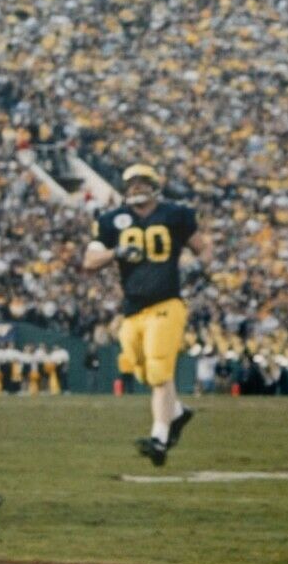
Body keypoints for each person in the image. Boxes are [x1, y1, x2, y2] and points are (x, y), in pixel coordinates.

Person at [83, 163, 213, 466]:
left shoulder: (175, 214)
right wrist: (116, 253)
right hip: (132, 311)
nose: (136, 187)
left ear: (155, 184)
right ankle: (177, 413)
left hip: (167, 304)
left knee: (158, 372)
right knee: (141, 371)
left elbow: (203, 248)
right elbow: (89, 261)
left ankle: (159, 437)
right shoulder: (112, 220)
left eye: (143, 182)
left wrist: (198, 265)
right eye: (131, 183)